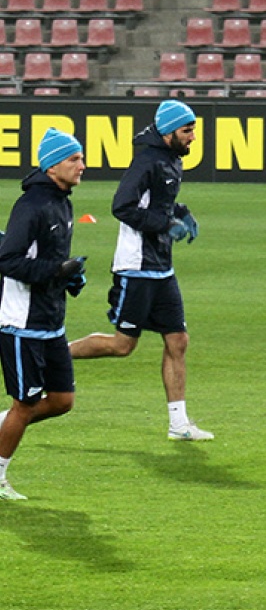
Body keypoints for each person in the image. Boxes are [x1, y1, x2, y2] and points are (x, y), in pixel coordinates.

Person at [70, 99, 214, 442]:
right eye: (187, 130)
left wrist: (182, 212)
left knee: (177, 340)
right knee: (123, 345)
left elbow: (159, 201)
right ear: (167, 133)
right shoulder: (147, 161)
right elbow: (122, 206)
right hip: (136, 266)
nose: (193, 137)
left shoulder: (170, 160)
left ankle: (178, 424)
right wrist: (166, 225)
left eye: (193, 129)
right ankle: (52, 353)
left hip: (161, 267)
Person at [0, 127, 86, 500]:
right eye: (74, 159)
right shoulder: (32, 206)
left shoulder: (62, 201)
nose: (82, 165)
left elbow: (49, 260)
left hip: (51, 321)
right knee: (26, 404)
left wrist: (69, 278)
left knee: (62, 401)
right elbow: (8, 261)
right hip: (22, 323)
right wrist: (56, 272)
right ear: (52, 167)